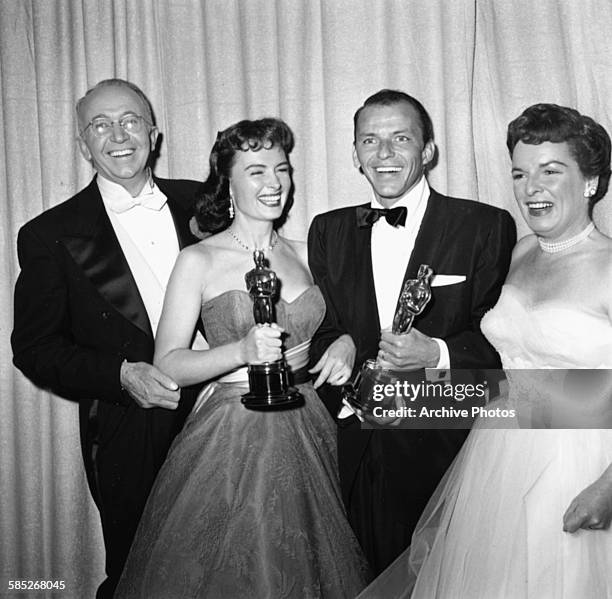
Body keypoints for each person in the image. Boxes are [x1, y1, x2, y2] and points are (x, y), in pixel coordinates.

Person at [358, 103, 612, 598]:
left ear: (591, 182)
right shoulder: (521, 251)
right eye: (519, 173)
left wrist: (609, 486)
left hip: (583, 461)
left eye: (550, 171)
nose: (531, 187)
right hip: (498, 454)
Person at [115, 118, 371, 598]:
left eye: (282, 168)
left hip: (311, 425)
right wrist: (240, 351)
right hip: (231, 435)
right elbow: (167, 362)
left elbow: (342, 325)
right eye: (256, 171)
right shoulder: (200, 259)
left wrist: (347, 341)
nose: (273, 182)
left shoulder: (309, 253)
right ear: (227, 183)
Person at [307, 89, 517, 573]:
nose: (384, 154)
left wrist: (437, 353)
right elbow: (320, 328)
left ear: (428, 151)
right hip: (354, 446)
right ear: (355, 154)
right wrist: (336, 342)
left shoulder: (484, 226)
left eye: (400, 138)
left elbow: (505, 339)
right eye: (369, 140)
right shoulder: (327, 231)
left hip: (443, 446)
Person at [11, 78, 202, 598]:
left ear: (154, 133)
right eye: (100, 125)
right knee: (142, 573)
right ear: (83, 144)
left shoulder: (205, 202)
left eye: (130, 121)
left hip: (225, 415)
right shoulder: (48, 233)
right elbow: (33, 348)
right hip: (129, 426)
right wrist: (120, 375)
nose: (118, 135)